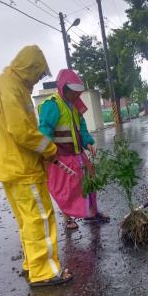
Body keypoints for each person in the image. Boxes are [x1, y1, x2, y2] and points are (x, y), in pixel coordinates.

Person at [0, 45, 72, 287]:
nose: (38, 79)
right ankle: (44, 271)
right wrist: (50, 150)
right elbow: (23, 131)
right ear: (30, 67)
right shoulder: (12, 88)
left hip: (7, 166)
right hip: (22, 168)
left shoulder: (0, 84)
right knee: (40, 218)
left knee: (26, 220)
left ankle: (32, 264)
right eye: (38, 73)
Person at [38, 68, 109, 230]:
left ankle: (92, 212)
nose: (74, 95)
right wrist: (46, 153)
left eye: (77, 92)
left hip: (78, 154)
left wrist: (88, 142)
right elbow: (45, 130)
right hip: (61, 156)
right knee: (66, 188)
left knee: (90, 180)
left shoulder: (75, 105)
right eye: (71, 92)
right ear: (63, 88)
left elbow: (81, 127)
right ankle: (67, 218)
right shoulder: (53, 105)